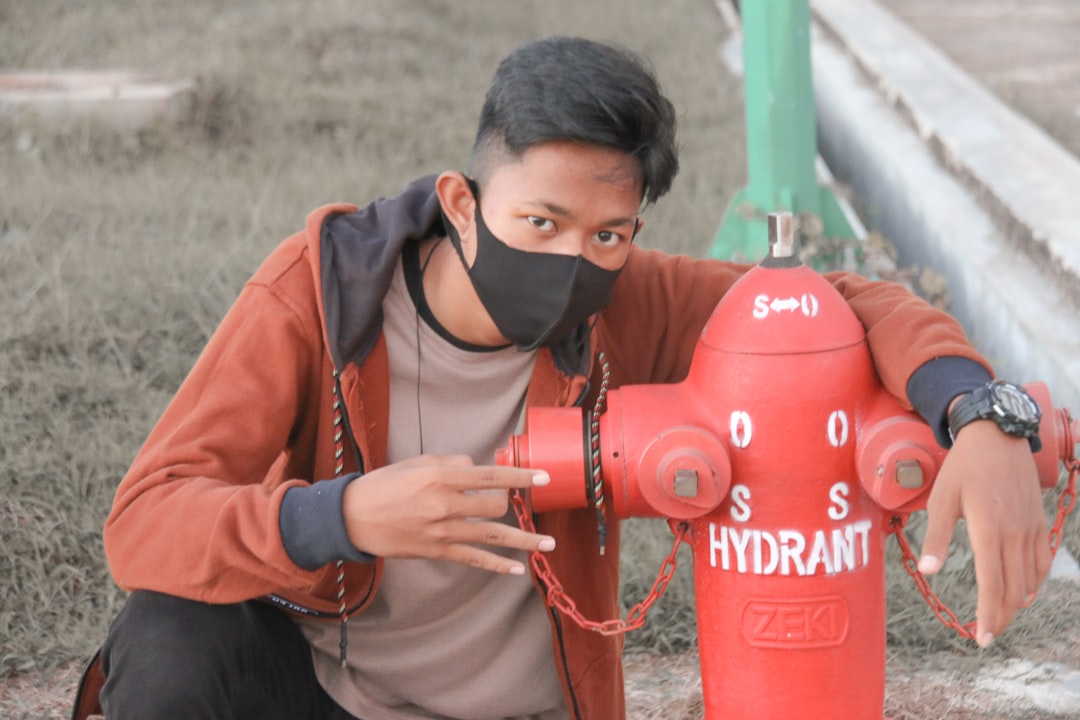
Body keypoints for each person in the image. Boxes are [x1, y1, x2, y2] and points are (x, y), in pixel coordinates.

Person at [97, 35, 1050, 720]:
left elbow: (838, 300)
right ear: (463, 204)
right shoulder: (322, 293)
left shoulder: (627, 300)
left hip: (524, 708)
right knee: (171, 636)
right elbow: (146, 518)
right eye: (540, 223)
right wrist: (343, 515)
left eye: (609, 234)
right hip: (328, 693)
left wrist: (981, 414)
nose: (571, 261)